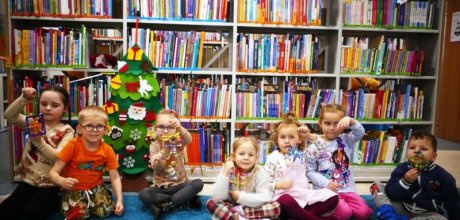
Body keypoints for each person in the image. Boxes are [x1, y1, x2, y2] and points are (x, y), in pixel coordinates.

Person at [0, 86, 75, 219]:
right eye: (44, 104)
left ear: (65, 108)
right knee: (7, 210)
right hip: (28, 181)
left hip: (51, 184)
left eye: (55, 105)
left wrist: (38, 142)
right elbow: (9, 115)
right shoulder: (34, 122)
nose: (48, 108)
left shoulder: (67, 131)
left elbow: (58, 157)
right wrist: (24, 98)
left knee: (33, 211)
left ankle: (60, 199)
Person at [48, 105, 124, 219]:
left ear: (105, 130)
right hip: (73, 190)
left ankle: (103, 195)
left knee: (105, 212)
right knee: (78, 216)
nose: (94, 130)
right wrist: (61, 181)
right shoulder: (72, 146)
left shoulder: (107, 150)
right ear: (79, 129)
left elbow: (115, 177)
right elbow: (53, 172)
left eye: (99, 126)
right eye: (89, 126)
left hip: (96, 187)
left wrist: (119, 200)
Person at [264, 112, 338, 220]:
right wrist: (279, 185)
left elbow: (323, 147)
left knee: (333, 197)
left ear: (299, 139)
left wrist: (309, 136)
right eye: (282, 137)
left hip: (303, 196)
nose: (286, 141)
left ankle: (299, 216)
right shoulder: (272, 158)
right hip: (282, 199)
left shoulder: (304, 154)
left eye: (291, 137)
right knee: (286, 199)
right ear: (277, 140)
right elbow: (265, 184)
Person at [370, 131, 460, 220]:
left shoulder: (443, 176)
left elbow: (453, 203)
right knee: (377, 186)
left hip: (427, 214)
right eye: (412, 148)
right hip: (402, 207)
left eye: (423, 149)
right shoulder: (401, 168)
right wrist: (405, 181)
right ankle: (388, 213)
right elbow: (392, 194)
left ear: (433, 156)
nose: (417, 151)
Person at [305, 104, 371, 219]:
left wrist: (351, 121)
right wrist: (326, 183)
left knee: (364, 213)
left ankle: (340, 209)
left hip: (348, 189)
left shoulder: (346, 140)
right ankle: (326, 211)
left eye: (336, 123)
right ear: (320, 123)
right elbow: (310, 172)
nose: (331, 128)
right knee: (345, 214)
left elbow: (360, 133)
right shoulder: (313, 147)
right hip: (326, 191)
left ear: (342, 125)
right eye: (327, 123)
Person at [138, 109, 204, 218]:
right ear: (155, 128)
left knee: (198, 184)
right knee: (143, 194)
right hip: (162, 187)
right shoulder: (154, 145)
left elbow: (189, 139)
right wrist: (158, 161)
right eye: (161, 127)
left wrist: (180, 128)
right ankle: (183, 200)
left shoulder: (178, 142)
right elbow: (157, 169)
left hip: (181, 184)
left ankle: (166, 204)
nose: (165, 131)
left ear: (175, 130)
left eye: (170, 127)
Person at [206, 136, 281, 220]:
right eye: (241, 154)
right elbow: (219, 196)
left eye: (251, 155)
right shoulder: (228, 169)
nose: (246, 158)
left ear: (256, 158)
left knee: (276, 207)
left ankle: (236, 216)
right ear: (233, 156)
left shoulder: (260, 172)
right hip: (229, 205)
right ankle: (238, 217)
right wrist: (224, 174)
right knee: (211, 202)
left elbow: (264, 197)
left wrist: (241, 197)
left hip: (251, 206)